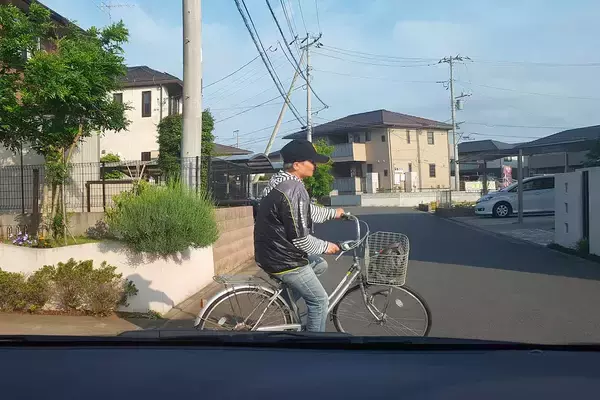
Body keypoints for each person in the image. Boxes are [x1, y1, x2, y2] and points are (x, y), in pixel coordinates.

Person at [254, 139, 344, 332]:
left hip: (270, 252)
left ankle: (285, 305)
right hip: (283, 259)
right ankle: (312, 348)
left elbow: (304, 211)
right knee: (319, 301)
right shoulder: (294, 189)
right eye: (312, 161)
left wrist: (333, 213)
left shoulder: (279, 182)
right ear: (296, 165)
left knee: (320, 264)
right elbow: (301, 239)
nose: (315, 166)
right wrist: (326, 246)